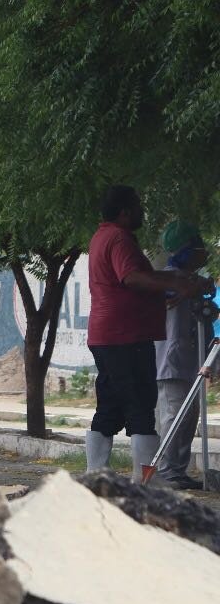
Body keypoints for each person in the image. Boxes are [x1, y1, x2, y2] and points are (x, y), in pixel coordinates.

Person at [85, 186, 208, 475]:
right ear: (126, 211)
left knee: (111, 406)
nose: (142, 212)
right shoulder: (119, 238)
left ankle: (96, 475)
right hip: (126, 335)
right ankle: (146, 481)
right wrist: (175, 283)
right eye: (139, 207)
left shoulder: (102, 236)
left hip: (108, 335)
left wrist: (173, 282)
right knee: (140, 407)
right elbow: (133, 278)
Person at [154, 220, 213, 489]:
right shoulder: (169, 280)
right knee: (174, 417)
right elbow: (172, 293)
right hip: (172, 361)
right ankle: (166, 470)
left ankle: (178, 469)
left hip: (191, 361)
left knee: (188, 419)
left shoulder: (193, 282)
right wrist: (195, 285)